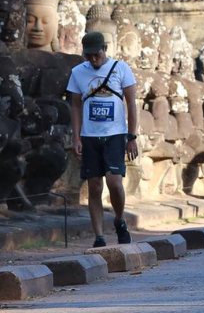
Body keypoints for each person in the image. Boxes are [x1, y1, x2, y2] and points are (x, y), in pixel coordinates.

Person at [67, 31, 138, 248]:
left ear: (104, 49)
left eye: (96, 55)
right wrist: (76, 137)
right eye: (88, 56)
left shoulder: (121, 69)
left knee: (114, 183)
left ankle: (119, 220)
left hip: (115, 134)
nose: (93, 59)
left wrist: (131, 137)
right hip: (90, 136)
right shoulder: (78, 72)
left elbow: (132, 105)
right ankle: (99, 236)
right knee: (95, 186)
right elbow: (76, 106)